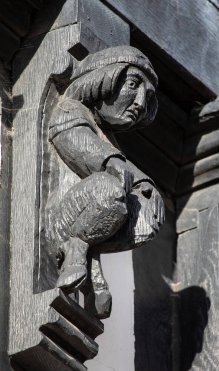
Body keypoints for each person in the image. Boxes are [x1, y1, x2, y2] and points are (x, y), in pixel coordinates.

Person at [45, 46, 165, 291]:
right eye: (133, 85)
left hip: (88, 218)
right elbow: (76, 141)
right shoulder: (70, 110)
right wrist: (111, 161)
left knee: (147, 209)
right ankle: (76, 247)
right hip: (60, 224)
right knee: (109, 188)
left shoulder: (107, 134)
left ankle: (89, 251)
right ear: (104, 80)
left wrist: (146, 188)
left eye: (148, 96)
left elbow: (127, 170)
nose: (140, 103)